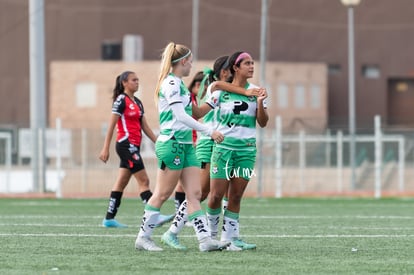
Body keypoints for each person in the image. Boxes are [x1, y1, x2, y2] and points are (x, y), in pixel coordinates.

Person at [134, 42, 229, 252]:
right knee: (162, 193)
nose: (191, 66)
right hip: (172, 144)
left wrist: (214, 98)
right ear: (183, 62)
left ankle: (205, 241)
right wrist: (208, 131)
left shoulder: (180, 86)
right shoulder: (171, 84)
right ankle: (143, 237)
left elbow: (195, 112)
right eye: (191, 62)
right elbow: (180, 116)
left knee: (194, 194)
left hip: (186, 146)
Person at [161, 55, 261, 250]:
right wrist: (251, 91)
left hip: (224, 143)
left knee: (226, 194)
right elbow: (223, 92)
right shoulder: (216, 86)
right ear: (225, 72)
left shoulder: (229, 89)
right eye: (231, 70)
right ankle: (173, 231)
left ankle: (230, 237)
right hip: (209, 142)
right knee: (203, 192)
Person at [206, 51, 269, 251]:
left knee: (236, 196)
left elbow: (263, 122)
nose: (251, 66)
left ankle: (230, 239)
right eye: (247, 63)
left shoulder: (258, 91)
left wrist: (260, 103)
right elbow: (204, 107)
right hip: (223, 150)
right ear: (235, 67)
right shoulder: (220, 92)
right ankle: (211, 237)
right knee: (215, 195)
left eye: (252, 63)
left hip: (247, 151)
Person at [99, 71, 174, 228]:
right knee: (144, 180)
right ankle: (154, 216)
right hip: (126, 145)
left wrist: (158, 142)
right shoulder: (121, 100)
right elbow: (112, 125)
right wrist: (105, 148)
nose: (137, 82)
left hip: (134, 146)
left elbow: (144, 126)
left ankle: (109, 219)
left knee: (121, 182)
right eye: (134, 80)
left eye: (138, 80)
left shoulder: (138, 102)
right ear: (124, 83)